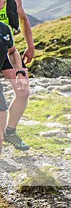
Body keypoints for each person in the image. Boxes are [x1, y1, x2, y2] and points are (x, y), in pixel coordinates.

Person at [0, 0, 34, 151]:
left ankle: (10, 132)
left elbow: (24, 20)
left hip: (7, 50)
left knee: (23, 91)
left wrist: (30, 46)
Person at [0, 21, 28, 154]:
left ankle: (9, 132)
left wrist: (20, 73)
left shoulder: (4, 28)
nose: (2, 1)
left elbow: (12, 51)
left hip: (3, 55)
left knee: (23, 92)